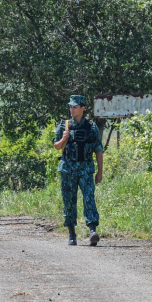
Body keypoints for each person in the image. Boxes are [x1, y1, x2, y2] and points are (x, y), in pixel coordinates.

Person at [53, 95, 103, 246]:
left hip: (86, 168)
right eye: (70, 107)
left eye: (75, 107)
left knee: (89, 198)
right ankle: (72, 234)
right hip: (68, 169)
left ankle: (92, 230)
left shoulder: (91, 127)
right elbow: (56, 146)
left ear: (82, 108)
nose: (72, 109)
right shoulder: (64, 125)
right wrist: (64, 138)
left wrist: (100, 172)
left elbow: (98, 150)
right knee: (69, 201)